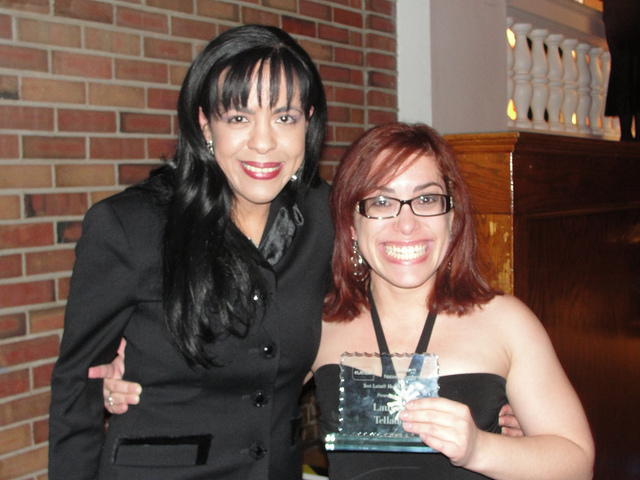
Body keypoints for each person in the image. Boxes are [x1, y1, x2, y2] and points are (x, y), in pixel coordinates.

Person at [48, 24, 333, 480]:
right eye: (238, 118)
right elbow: (77, 387)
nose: (264, 142)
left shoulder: (325, 217)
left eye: (285, 118)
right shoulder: (131, 226)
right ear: (205, 125)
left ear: (308, 122)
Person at [311, 122, 594, 479]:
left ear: (452, 217)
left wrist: (481, 448)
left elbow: (577, 462)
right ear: (351, 224)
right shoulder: (318, 323)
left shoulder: (506, 323)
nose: (407, 225)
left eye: (426, 200)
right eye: (381, 202)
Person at [602, 0, 640, 141]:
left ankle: (627, 134)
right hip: (619, 17)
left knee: (625, 73)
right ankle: (628, 134)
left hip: (619, 17)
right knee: (625, 73)